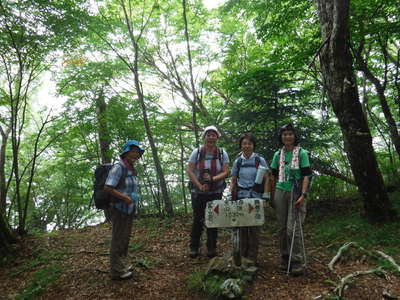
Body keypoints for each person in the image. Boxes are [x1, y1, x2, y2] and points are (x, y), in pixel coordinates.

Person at [270, 124, 311, 275]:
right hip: (280, 191)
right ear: (281, 137)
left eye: (290, 134)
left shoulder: (301, 153)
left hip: (296, 192)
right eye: (285, 134)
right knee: (281, 228)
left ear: (295, 136)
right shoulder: (277, 155)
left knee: (292, 228)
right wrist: (272, 194)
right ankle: (285, 256)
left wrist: (303, 194)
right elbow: (272, 175)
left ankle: (297, 261)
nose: (287, 137)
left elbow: (306, 174)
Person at [187, 126, 230, 258]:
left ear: (217, 137)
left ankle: (211, 247)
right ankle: (194, 247)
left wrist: (212, 179)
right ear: (204, 137)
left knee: (214, 219)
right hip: (198, 192)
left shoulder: (222, 153)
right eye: (208, 135)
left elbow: (226, 171)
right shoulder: (197, 152)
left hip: (215, 192)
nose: (211, 137)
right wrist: (199, 185)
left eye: (213, 135)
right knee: (198, 219)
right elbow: (189, 170)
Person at [104, 140, 144, 280]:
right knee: (118, 239)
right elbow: (108, 187)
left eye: (138, 152)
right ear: (126, 152)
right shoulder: (119, 167)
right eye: (133, 151)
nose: (136, 154)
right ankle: (116, 271)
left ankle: (122, 264)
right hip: (119, 208)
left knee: (125, 239)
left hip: (129, 209)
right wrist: (124, 198)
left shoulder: (131, 168)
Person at [229, 132, 270, 264]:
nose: (247, 146)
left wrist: (266, 197)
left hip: (256, 197)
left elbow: (267, 179)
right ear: (241, 145)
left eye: (249, 143)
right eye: (244, 143)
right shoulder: (238, 161)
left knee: (254, 229)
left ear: (253, 145)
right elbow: (233, 180)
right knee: (242, 228)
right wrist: (230, 196)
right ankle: (242, 256)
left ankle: (252, 258)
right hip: (241, 196)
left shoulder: (259, 160)